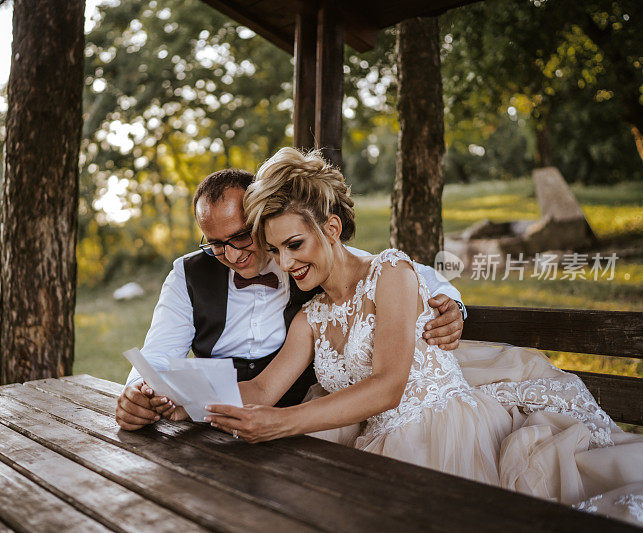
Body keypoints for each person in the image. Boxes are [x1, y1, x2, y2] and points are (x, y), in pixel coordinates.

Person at [204, 147, 643, 529]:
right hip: (378, 447)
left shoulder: (391, 274)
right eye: (277, 250)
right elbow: (262, 389)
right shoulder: (312, 317)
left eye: (294, 244)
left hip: (448, 433)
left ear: (332, 228)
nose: (284, 263)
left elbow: (389, 384)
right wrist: (182, 396)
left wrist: (284, 422)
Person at [115, 168, 467, 431]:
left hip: (419, 421)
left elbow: (404, 272)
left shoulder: (318, 251)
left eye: (240, 237)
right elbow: (255, 388)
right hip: (258, 424)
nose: (233, 255)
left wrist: (451, 302)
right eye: (216, 243)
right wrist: (173, 403)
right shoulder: (308, 312)